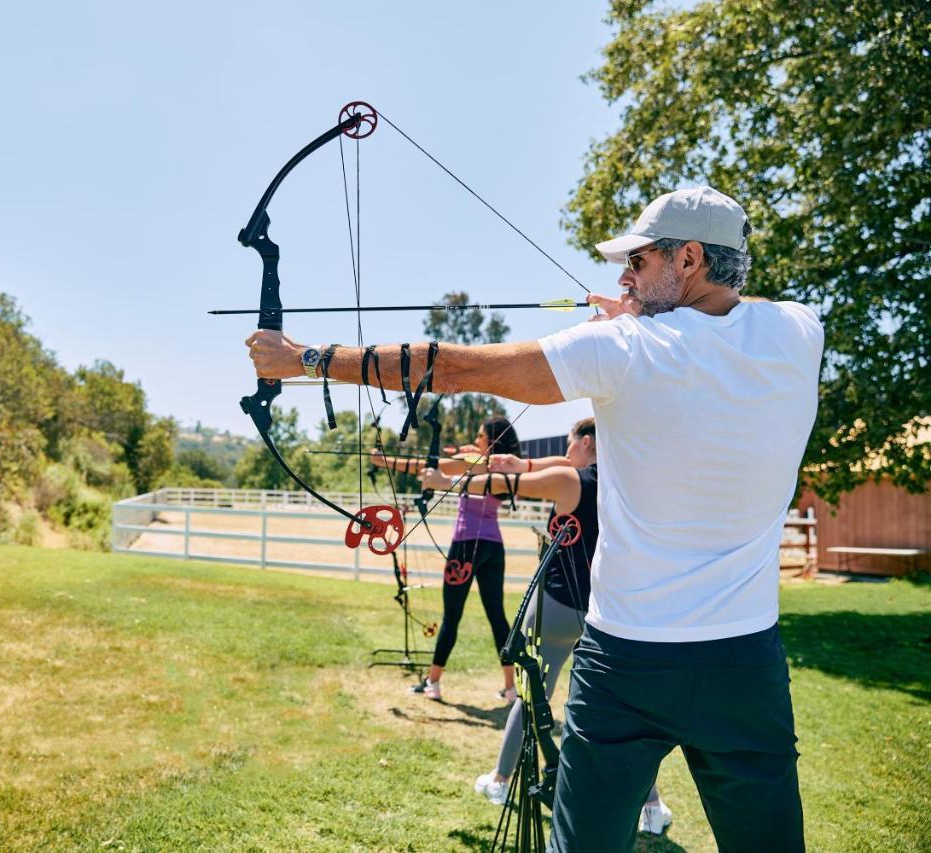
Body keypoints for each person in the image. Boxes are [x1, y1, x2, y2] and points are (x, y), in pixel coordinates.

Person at [245, 186, 822, 851]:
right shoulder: (798, 331)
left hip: (626, 662)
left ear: (689, 257)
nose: (623, 277)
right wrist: (653, 309)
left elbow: (453, 367)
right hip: (744, 659)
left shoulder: (625, 349)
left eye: (639, 261)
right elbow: (728, 325)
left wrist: (303, 360)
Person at [422, 417, 671, 835]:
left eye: (572, 443)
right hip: (606, 609)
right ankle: (651, 808)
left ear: (588, 442)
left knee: (531, 695)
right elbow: (530, 467)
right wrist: (507, 463)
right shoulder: (629, 481)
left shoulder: (570, 481)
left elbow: (503, 484)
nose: (568, 449)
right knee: (620, 710)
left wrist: (443, 478)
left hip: (556, 607)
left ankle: (500, 781)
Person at [370, 418, 519, 704]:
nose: (476, 441)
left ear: (490, 441)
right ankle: (510, 688)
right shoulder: (504, 468)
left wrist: (384, 461)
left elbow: (426, 467)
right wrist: (466, 454)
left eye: (479, 436)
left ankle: (433, 683)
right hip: (493, 547)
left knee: (452, 616)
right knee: (497, 617)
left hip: (465, 546)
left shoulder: (472, 463)